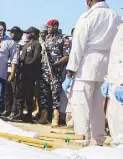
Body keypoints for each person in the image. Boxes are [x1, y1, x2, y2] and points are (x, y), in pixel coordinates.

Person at [66, 0, 120, 146]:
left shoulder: (88, 16)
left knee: (81, 105)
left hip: (87, 65)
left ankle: (82, 140)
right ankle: (99, 140)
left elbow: (78, 45)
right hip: (107, 66)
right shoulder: (115, 16)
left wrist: (70, 71)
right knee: (98, 107)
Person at [37, 20, 70, 126]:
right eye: (48, 27)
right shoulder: (46, 39)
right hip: (44, 70)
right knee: (43, 94)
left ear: (55, 26)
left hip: (55, 72)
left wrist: (55, 65)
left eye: (50, 27)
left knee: (55, 94)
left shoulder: (63, 40)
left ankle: (55, 118)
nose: (48, 29)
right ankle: (44, 116)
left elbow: (67, 56)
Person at [8, 27, 42, 122]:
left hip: (30, 74)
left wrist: (26, 65)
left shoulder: (37, 45)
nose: (26, 34)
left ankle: (29, 115)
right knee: (19, 94)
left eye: (29, 33)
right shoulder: (26, 45)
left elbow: (35, 58)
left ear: (34, 33)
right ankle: (19, 113)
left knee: (29, 95)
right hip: (22, 73)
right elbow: (22, 58)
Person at [102, 24, 123, 147]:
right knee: (114, 117)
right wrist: (108, 79)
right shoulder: (120, 27)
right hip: (114, 80)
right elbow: (115, 58)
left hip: (120, 81)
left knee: (120, 120)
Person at [0, 22, 18, 117]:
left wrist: (12, 73)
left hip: (1, 74)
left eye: (1, 29)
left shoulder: (10, 42)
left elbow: (14, 59)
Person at [3, 26, 23, 117]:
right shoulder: (8, 43)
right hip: (6, 69)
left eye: (13, 32)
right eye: (10, 32)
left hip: (16, 70)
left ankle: (14, 112)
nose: (11, 34)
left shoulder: (22, 44)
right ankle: (7, 109)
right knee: (7, 92)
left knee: (15, 92)